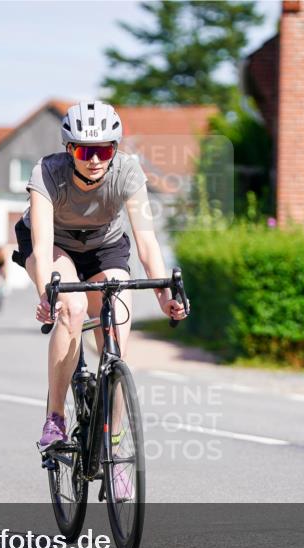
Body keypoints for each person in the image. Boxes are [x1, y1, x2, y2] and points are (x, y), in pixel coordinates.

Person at [10, 101, 187, 492]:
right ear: (69, 149)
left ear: (115, 149)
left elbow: (146, 243)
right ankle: (55, 418)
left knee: (117, 336)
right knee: (71, 309)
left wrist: (163, 296)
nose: (94, 160)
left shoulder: (127, 171)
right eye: (84, 151)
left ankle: (115, 446)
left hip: (105, 247)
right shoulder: (47, 172)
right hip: (54, 245)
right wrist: (46, 294)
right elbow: (39, 247)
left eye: (104, 150)